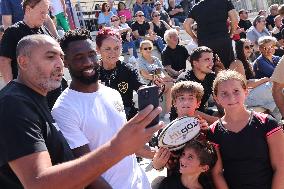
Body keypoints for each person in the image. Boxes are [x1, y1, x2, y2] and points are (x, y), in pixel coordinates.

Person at [0, 34, 163, 188]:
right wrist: (117, 147)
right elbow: (38, 183)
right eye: (50, 57)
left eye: (60, 57)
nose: (59, 64)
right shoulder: (13, 104)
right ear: (23, 62)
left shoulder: (33, 99)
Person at [52, 29, 153, 189]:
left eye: (91, 54)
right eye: (79, 57)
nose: (88, 62)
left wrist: (156, 154)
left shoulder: (113, 94)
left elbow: (124, 145)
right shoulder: (63, 109)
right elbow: (85, 171)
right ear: (65, 61)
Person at [205, 70, 284, 189]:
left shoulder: (267, 123)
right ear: (216, 98)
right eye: (224, 93)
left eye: (236, 91)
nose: (231, 97)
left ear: (246, 92)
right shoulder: (213, 131)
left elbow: (280, 167)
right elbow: (217, 173)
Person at [0, 0, 65, 109]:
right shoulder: (13, 32)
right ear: (28, 9)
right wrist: (12, 90)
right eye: (42, 12)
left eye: (46, 13)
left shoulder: (45, 31)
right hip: (29, 95)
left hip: (51, 93)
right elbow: (4, 61)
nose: (45, 17)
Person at [97, 27, 144, 120]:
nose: (113, 52)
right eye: (107, 49)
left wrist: (152, 88)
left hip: (126, 116)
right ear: (98, 49)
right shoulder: (92, 73)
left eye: (116, 48)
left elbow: (141, 87)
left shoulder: (128, 69)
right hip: (101, 118)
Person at [230, 38, 281, 120]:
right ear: (239, 49)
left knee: (276, 97)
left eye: (251, 46)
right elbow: (244, 85)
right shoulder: (237, 63)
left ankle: (277, 122)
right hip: (243, 97)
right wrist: (263, 80)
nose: (250, 49)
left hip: (249, 93)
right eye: (246, 47)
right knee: (275, 86)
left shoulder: (247, 62)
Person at [184, 0, 238, 68]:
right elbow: (235, 19)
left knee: (208, 70)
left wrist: (194, 37)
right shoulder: (224, 2)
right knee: (229, 68)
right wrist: (231, 33)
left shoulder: (196, 7)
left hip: (205, 43)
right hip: (223, 39)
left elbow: (186, 24)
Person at [176, 46, 218, 124]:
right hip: (183, 120)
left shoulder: (211, 76)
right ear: (195, 63)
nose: (212, 63)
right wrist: (218, 122)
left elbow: (218, 100)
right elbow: (188, 111)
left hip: (201, 112)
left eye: (212, 59)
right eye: (207, 59)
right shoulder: (185, 80)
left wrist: (226, 116)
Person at [137, 40, 173, 113]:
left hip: (159, 82)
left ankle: (169, 112)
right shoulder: (140, 61)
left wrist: (170, 78)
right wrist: (160, 79)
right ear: (141, 50)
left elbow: (163, 72)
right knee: (170, 85)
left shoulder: (156, 59)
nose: (148, 50)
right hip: (148, 84)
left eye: (150, 48)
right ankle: (168, 112)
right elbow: (146, 75)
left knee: (174, 83)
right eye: (145, 48)